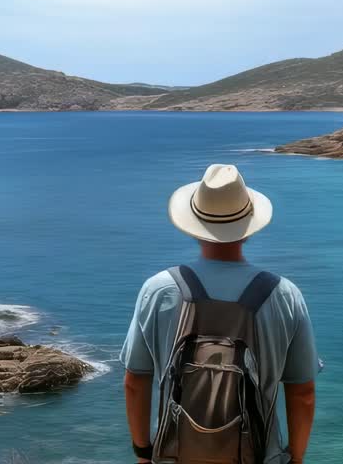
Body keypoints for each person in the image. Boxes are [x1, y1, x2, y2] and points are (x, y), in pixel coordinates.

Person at [121, 164, 319, 464]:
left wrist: (143, 453)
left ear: (194, 224)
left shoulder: (158, 289)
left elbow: (135, 381)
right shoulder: (284, 294)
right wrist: (297, 458)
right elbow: (302, 392)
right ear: (248, 227)